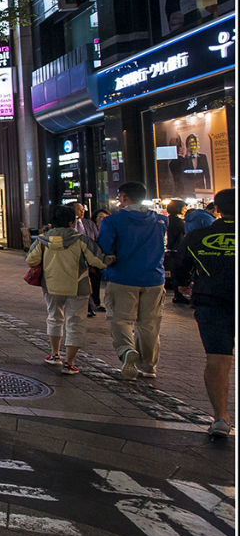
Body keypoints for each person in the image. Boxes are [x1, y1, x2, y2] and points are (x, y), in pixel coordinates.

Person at [172, 188, 234, 439]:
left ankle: (221, 416)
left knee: (217, 359)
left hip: (212, 301)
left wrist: (184, 283)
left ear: (216, 209)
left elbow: (181, 267)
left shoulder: (198, 236)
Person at [26, 205, 112, 375]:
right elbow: (98, 261)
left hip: (51, 286)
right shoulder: (81, 240)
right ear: (72, 222)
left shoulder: (42, 240)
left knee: (54, 318)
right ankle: (69, 362)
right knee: (75, 322)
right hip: (78, 287)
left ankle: (54, 354)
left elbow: (31, 260)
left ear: (52, 222)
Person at [97, 181, 168, 380]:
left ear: (124, 197)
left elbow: (105, 248)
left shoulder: (113, 222)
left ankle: (127, 351)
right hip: (154, 278)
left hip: (122, 276)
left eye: (119, 197)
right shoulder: (160, 221)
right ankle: (149, 366)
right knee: (149, 323)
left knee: (120, 319)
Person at [164, 199, 189, 304]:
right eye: (184, 207)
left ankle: (177, 295)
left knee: (175, 274)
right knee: (179, 274)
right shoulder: (178, 221)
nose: (185, 210)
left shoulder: (168, 220)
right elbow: (185, 234)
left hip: (172, 249)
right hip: (177, 250)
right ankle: (179, 296)